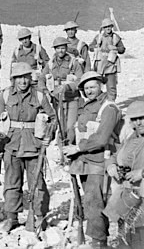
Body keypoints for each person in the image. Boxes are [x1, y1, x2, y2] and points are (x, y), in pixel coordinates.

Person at [0, 62, 55, 232]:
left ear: (30, 78)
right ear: (13, 79)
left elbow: (53, 119)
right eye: (19, 78)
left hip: (34, 146)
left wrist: (49, 136)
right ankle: (12, 217)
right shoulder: (5, 95)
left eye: (25, 77)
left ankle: (39, 216)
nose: (22, 81)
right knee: (12, 183)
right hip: (11, 145)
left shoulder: (39, 96)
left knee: (37, 183)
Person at [62, 71, 122, 249]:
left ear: (100, 86)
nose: (89, 91)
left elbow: (102, 138)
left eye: (93, 86)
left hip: (101, 162)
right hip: (83, 162)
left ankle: (99, 242)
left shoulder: (109, 108)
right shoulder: (85, 107)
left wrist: (77, 148)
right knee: (90, 202)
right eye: (86, 88)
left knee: (95, 203)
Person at [104, 100, 144, 247]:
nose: (139, 122)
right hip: (127, 196)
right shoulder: (131, 137)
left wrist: (142, 173)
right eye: (135, 119)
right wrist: (112, 165)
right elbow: (117, 155)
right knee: (126, 237)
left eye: (143, 118)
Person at [38, 37, 83, 143]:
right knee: (60, 127)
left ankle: (70, 148)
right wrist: (45, 91)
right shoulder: (50, 64)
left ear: (66, 48)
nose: (60, 51)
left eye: (62, 48)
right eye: (58, 48)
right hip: (57, 100)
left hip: (71, 99)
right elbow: (41, 78)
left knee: (70, 127)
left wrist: (68, 86)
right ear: (55, 49)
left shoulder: (73, 62)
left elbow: (81, 80)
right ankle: (61, 150)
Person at [89, 18, 126, 101]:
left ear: (112, 27)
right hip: (99, 64)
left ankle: (111, 103)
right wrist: (95, 47)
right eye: (106, 27)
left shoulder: (116, 37)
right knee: (96, 85)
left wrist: (115, 48)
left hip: (110, 65)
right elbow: (90, 47)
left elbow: (122, 49)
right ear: (103, 28)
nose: (108, 28)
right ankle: (97, 103)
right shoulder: (98, 37)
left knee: (111, 86)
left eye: (109, 26)